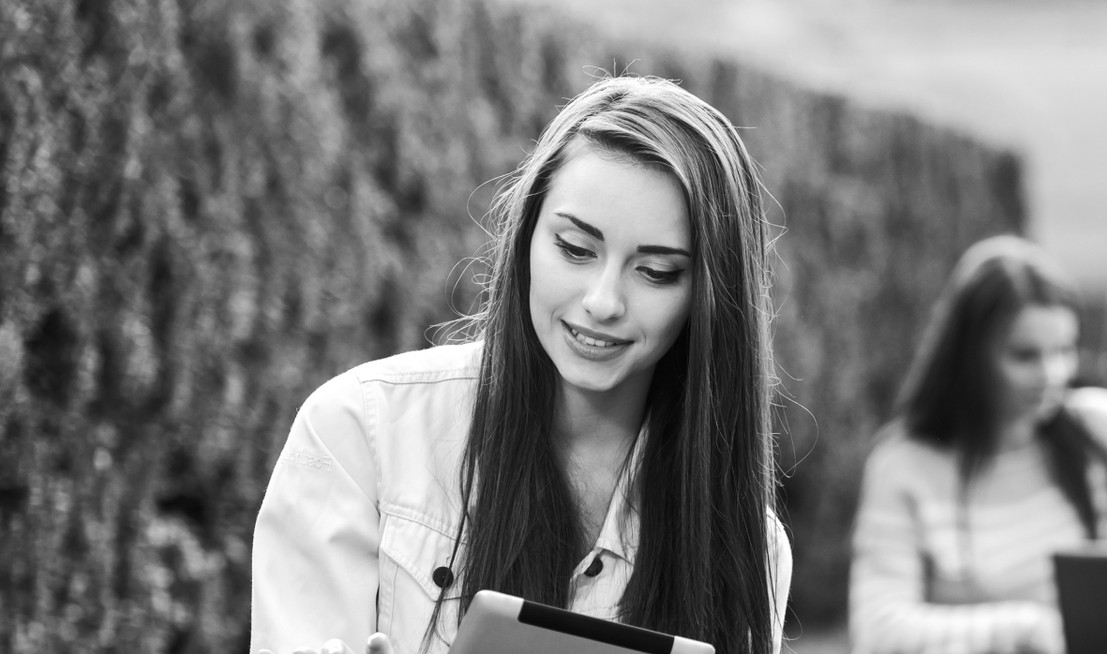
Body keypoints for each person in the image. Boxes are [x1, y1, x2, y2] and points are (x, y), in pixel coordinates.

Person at [249, 76, 791, 654]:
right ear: (527, 236)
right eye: (576, 249)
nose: (602, 301)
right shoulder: (360, 431)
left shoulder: (749, 544)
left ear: (708, 296)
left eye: (656, 272)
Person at [848, 235, 1107, 654]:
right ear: (970, 356)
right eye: (1025, 355)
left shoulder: (1104, 433)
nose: (1053, 373)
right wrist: (1027, 628)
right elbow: (879, 631)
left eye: (1065, 350)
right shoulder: (904, 463)